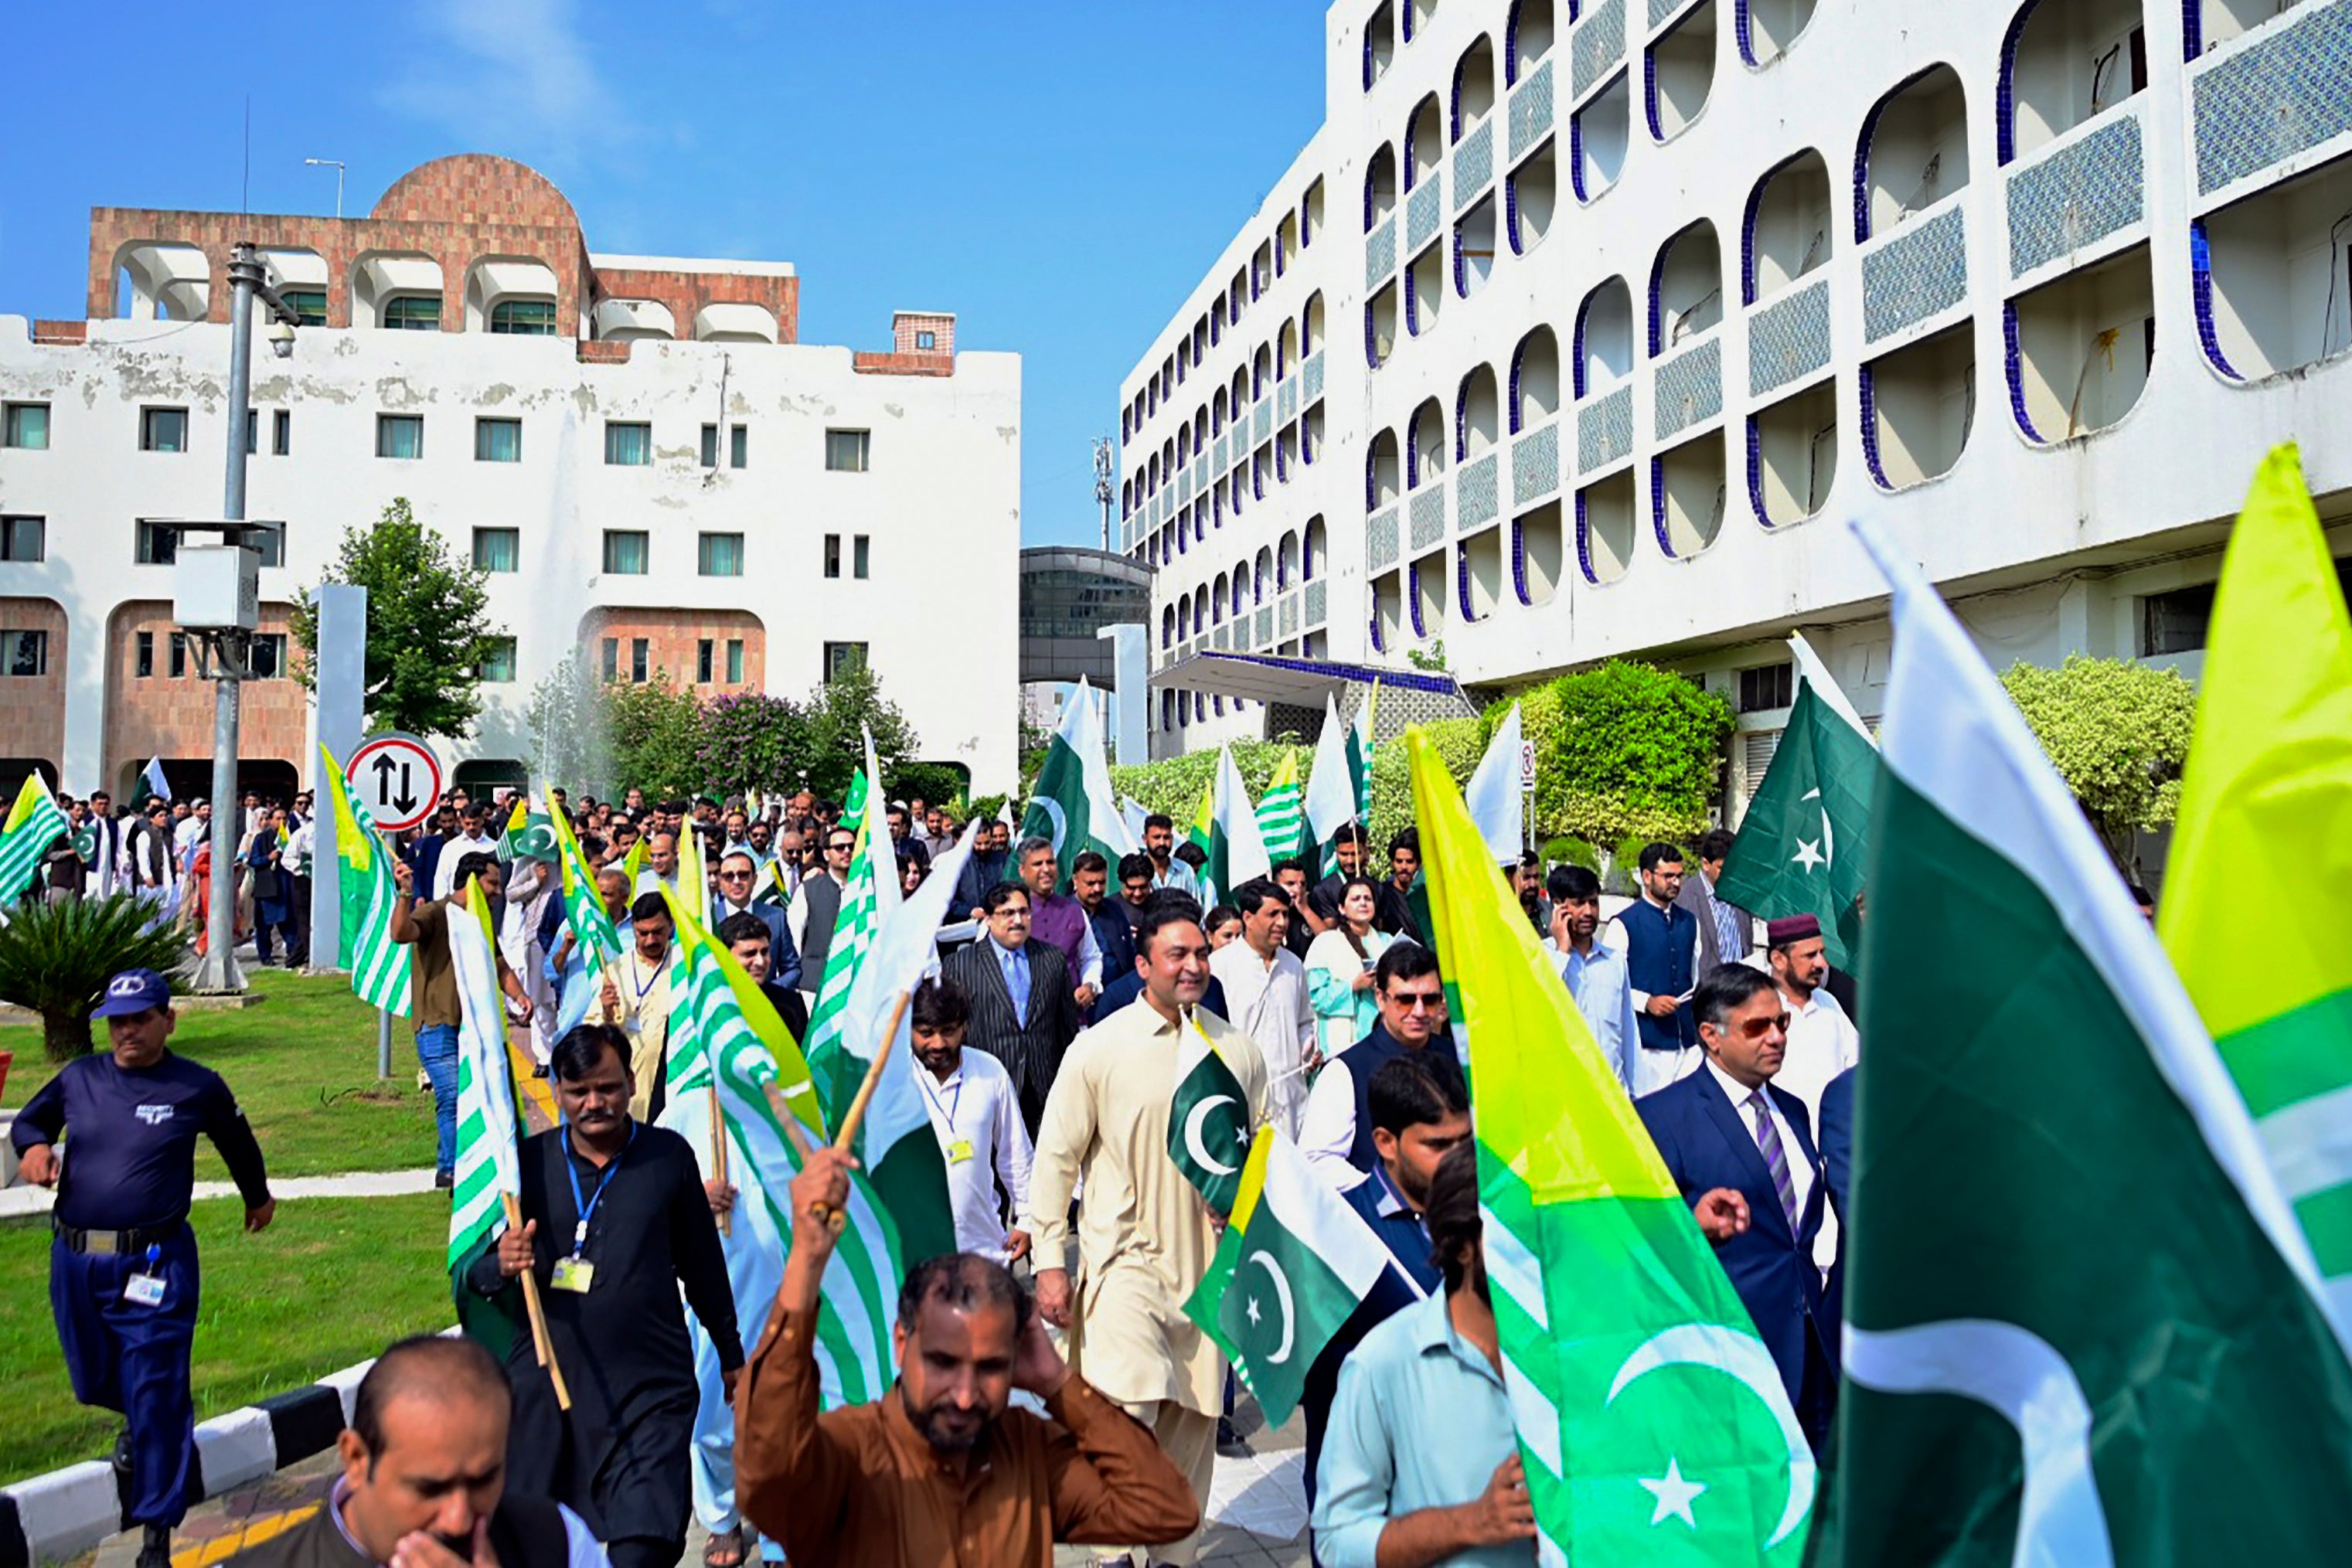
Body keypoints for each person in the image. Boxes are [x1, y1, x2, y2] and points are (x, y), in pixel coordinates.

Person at [734, 1148, 1200, 1562]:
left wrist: (1056, 1382)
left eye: (990, 1368)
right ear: (902, 1342)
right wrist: (805, 1266)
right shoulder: (854, 1456)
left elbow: (1166, 1509)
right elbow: (767, 1480)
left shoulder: (1026, 1452)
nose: (964, 1395)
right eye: (943, 1363)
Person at [1026, 906, 1272, 1568]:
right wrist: (1049, 1261)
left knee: (1191, 1428)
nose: (1193, 966)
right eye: (1176, 955)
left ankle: (1171, 1557)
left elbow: (1267, 1147)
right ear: (1142, 964)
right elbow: (1055, 1158)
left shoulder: (1237, 1051)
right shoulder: (1098, 1048)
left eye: (1201, 953)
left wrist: (1246, 1202)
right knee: (1123, 1410)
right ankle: (1111, 1553)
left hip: (1209, 1274)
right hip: (1123, 1266)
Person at [12, 969, 276, 1568]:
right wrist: (34, 1147)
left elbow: (238, 1142)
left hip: (155, 1263)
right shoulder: (80, 1077)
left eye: (140, 1019)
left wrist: (257, 1197)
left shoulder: (195, 1085)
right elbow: (31, 1121)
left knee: (157, 1391)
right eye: (118, 1021)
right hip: (76, 1261)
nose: (127, 1031)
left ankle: (156, 1536)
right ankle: (139, 1416)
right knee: (92, 1380)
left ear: (168, 1020)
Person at [467, 1024, 740, 1568]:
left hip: (649, 1391)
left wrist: (731, 1355)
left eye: (608, 1087)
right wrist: (500, 1263)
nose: (595, 1103)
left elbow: (703, 1267)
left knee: (644, 1544)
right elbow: (475, 1271)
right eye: (578, 1091)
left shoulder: (668, 1157)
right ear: (557, 1091)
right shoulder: (525, 1166)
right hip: (549, 1388)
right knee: (537, 1545)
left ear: (631, 1083)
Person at [1635, 963, 1835, 1447]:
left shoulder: (1793, 1110)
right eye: (1757, 1027)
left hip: (1815, 1355)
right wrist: (1692, 1227)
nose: (1776, 1037)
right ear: (1711, 1036)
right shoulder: (1663, 1118)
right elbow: (1637, 1245)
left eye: (1781, 1022)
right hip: (1732, 1364)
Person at [1312, 1141, 1533, 1568]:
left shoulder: (1578, 1360)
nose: (1537, 1254)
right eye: (1516, 1234)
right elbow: (1337, 1542)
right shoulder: (1381, 1364)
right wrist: (1473, 1522)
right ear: (1463, 1246)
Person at [230, 1334, 608, 1568]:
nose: (458, 1520)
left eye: (483, 1481)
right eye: (430, 1488)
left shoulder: (558, 1540)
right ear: (356, 1459)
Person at [1299, 1053, 1465, 1525]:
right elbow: (1318, 1387)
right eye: (1438, 1145)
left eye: (1465, 1142)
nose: (1458, 1161)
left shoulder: (1485, 1223)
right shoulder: (1336, 1234)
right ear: (1386, 1143)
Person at [390, 853, 533, 1185]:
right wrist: (405, 894)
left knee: (481, 1094)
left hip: (476, 1028)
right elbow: (401, 933)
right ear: (471, 880)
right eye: (492, 883)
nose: (497, 891)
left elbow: (499, 964)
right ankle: (450, 1169)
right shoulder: (437, 912)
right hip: (436, 1026)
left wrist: (520, 996)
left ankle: (472, 1165)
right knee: (453, 1094)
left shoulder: (480, 919)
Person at [1298, 943, 1452, 1185]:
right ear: (1381, 998)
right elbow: (1317, 1160)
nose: (1419, 1011)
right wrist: (1383, 1196)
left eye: (1430, 999)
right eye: (1406, 1000)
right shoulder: (1346, 1070)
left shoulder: (1457, 1059)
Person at [908, 977, 1034, 1264]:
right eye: (926, 1033)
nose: (938, 1043)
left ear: (964, 1027)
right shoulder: (890, 1082)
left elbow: (1015, 1152)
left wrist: (1027, 1219)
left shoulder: (990, 1071)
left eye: (948, 1032)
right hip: (913, 1258)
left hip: (984, 1251)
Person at [1761, 913, 1860, 1272]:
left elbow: (1858, 1074)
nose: (1821, 963)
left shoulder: (1831, 1008)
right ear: (1778, 959)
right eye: (1810, 955)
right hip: (1775, 1160)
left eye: (1822, 953)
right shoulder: (1757, 1009)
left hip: (1830, 1160)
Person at [943, 883, 1081, 1136]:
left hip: (1044, 1090)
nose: (1018, 921)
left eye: (1023, 912)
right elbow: (952, 1034)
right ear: (988, 919)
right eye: (1007, 913)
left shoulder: (1051, 959)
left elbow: (1066, 1030)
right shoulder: (961, 965)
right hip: (987, 1090)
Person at [1209, 878, 1317, 1138]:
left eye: (1285, 914)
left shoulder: (1294, 965)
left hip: (1290, 1097)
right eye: (1273, 914)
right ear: (1248, 918)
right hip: (1239, 1097)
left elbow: (1305, 1021)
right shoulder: (1219, 966)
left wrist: (1308, 1052)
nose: (1282, 922)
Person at [1604, 841, 1703, 1097]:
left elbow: (1694, 976)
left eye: (1680, 876)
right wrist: (1646, 1002)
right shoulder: (1623, 924)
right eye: (1668, 876)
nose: (1676, 883)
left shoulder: (1690, 921)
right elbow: (1609, 986)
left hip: (1688, 1044)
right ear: (1647, 877)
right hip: (1646, 1047)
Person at [1544, 864, 1640, 1092]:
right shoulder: (1540, 957)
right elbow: (1541, 1010)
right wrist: (1562, 951)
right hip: (1565, 1094)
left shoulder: (1614, 961)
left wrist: (1636, 1095)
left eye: (1593, 902)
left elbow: (1629, 1035)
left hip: (1613, 1093)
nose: (1588, 912)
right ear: (1558, 907)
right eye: (1579, 903)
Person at [597, 895, 679, 1122]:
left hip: (672, 1086)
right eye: (643, 933)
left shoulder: (684, 965)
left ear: (671, 924)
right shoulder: (617, 969)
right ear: (633, 927)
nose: (650, 940)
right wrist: (606, 1012)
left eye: (658, 932)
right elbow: (593, 1032)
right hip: (630, 1090)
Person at [1304, 876, 1394, 1066]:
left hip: (1382, 1037)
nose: (1363, 903)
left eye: (1368, 899)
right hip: (1340, 1044)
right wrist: (1352, 986)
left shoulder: (1388, 942)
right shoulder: (1325, 943)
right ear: (1342, 908)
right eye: (1355, 899)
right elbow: (1315, 997)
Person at [1013, 837, 1104, 1010]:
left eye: (1050, 862)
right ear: (1022, 870)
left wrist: (1090, 984)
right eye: (1038, 864)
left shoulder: (1075, 911)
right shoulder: (1008, 914)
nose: (1046, 869)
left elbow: (1091, 957)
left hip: (1070, 1014)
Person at [709, 851, 802, 991]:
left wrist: (768, 992)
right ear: (721, 882)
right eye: (729, 876)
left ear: (754, 879)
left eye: (743, 875)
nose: (736, 882)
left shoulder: (776, 917)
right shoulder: (708, 919)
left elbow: (792, 969)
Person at [716, 911, 809, 1040]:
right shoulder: (710, 1006)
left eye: (765, 952)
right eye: (749, 954)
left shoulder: (791, 1004)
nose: (760, 962)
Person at [786, 825, 853, 1005]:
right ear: (826, 854)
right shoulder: (808, 890)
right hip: (814, 988)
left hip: (856, 986)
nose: (847, 851)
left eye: (851, 846)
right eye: (840, 847)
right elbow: (794, 940)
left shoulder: (868, 890)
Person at [1678, 826, 1758, 972]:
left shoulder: (1740, 894)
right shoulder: (1685, 898)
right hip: (1707, 984)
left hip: (1741, 981)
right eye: (1722, 868)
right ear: (1706, 864)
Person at [1072, 851, 1135, 1003]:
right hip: (1082, 1000)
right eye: (1090, 883)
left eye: (1102, 882)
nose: (1097, 889)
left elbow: (1130, 954)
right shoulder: (1064, 914)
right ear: (1075, 880)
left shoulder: (1114, 910)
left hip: (1118, 998)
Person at [432, 804, 499, 900]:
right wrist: (441, 904)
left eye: (475, 823)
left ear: (482, 820)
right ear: (461, 821)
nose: (471, 827)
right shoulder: (450, 848)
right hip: (457, 903)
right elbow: (441, 879)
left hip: (487, 902)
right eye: (467, 824)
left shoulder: (494, 847)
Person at [1139, 812, 1200, 896]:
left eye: (1166, 837)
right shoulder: (1136, 870)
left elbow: (1196, 903)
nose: (1162, 843)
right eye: (1157, 837)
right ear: (1145, 839)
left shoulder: (1185, 870)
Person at [83, 789, 128, 899]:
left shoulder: (113, 824)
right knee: (90, 896)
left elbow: (120, 845)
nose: (103, 807)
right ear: (93, 804)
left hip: (108, 865)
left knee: (105, 896)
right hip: (91, 868)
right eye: (100, 804)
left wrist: (120, 864)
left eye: (106, 804)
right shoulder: (86, 822)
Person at [1272, 859, 1317, 961]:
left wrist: (1305, 910)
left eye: (1302, 884)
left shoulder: (1312, 909)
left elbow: (1328, 941)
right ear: (1275, 885)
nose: (1298, 890)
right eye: (1290, 884)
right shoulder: (1265, 913)